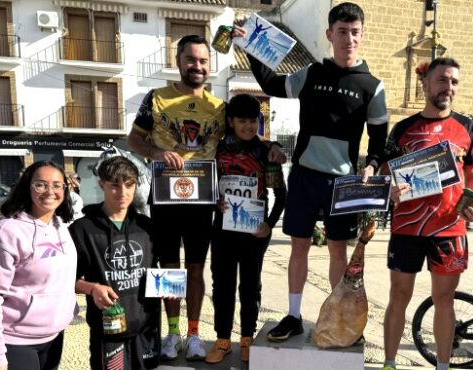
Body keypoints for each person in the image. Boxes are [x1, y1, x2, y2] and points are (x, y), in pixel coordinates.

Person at [233, 2, 388, 342]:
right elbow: (274, 84)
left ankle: (337, 316)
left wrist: (373, 165)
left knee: (338, 250)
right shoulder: (312, 73)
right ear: (330, 34)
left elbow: (379, 139)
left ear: (362, 36)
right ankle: (292, 315)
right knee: (298, 246)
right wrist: (250, 48)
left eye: (355, 32)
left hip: (344, 182)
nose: (349, 38)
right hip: (304, 175)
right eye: (342, 31)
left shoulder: (372, 86)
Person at [127, 34, 285, 360]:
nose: (197, 66)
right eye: (191, 60)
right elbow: (134, 140)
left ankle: (195, 334)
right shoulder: (155, 98)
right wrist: (156, 152)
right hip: (166, 198)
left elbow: (247, 134)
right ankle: (172, 334)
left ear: (209, 66)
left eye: (202, 61)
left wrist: (272, 146)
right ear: (179, 61)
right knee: (169, 267)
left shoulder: (220, 108)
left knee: (197, 268)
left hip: (203, 201)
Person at [381, 57, 473, 370]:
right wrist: (390, 190)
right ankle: (388, 363)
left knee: (445, 301)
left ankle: (442, 365)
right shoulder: (402, 129)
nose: (448, 87)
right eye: (442, 80)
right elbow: (386, 174)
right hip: (407, 228)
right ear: (425, 85)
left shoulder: (468, 127)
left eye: (453, 81)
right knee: (399, 295)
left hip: (450, 230)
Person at [204, 94, 287, 364]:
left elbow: (281, 194)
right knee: (222, 287)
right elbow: (207, 185)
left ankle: (247, 339)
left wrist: (269, 225)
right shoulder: (217, 150)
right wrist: (212, 201)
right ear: (230, 121)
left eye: (253, 121)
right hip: (223, 230)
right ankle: (223, 340)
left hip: (254, 232)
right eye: (242, 121)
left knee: (250, 287)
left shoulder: (267, 152)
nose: (248, 126)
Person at [0, 161, 78, 370]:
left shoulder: (61, 228)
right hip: (13, 341)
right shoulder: (6, 233)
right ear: (27, 187)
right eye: (41, 184)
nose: (50, 191)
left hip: (53, 338)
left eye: (57, 185)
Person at [70, 156, 169, 370]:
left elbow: (160, 271)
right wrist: (92, 288)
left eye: (129, 185)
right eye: (115, 185)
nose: (122, 193)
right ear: (101, 184)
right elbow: (67, 279)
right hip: (109, 330)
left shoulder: (149, 227)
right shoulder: (82, 230)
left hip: (147, 328)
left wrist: (168, 286)